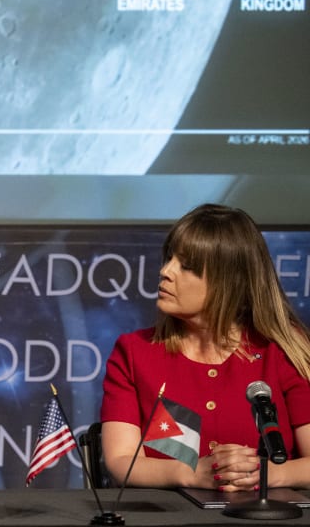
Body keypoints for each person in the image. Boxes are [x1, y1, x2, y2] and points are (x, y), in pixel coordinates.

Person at [100, 203, 310, 490]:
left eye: (186, 266)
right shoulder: (133, 352)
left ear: (229, 281)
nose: (166, 270)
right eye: (169, 258)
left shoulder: (284, 351)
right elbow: (122, 461)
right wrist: (193, 473)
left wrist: (265, 475)